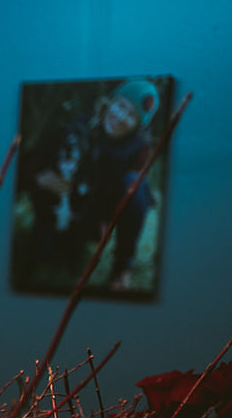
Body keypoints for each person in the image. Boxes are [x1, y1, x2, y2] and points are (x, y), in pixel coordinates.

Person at [22, 78, 162, 291]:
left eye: (132, 115)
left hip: (94, 216)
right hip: (63, 208)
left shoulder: (139, 150)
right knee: (45, 257)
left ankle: (122, 269)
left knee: (136, 185)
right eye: (121, 106)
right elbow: (36, 155)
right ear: (111, 102)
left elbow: (129, 192)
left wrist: (106, 216)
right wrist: (39, 175)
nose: (121, 117)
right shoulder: (80, 124)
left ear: (138, 126)